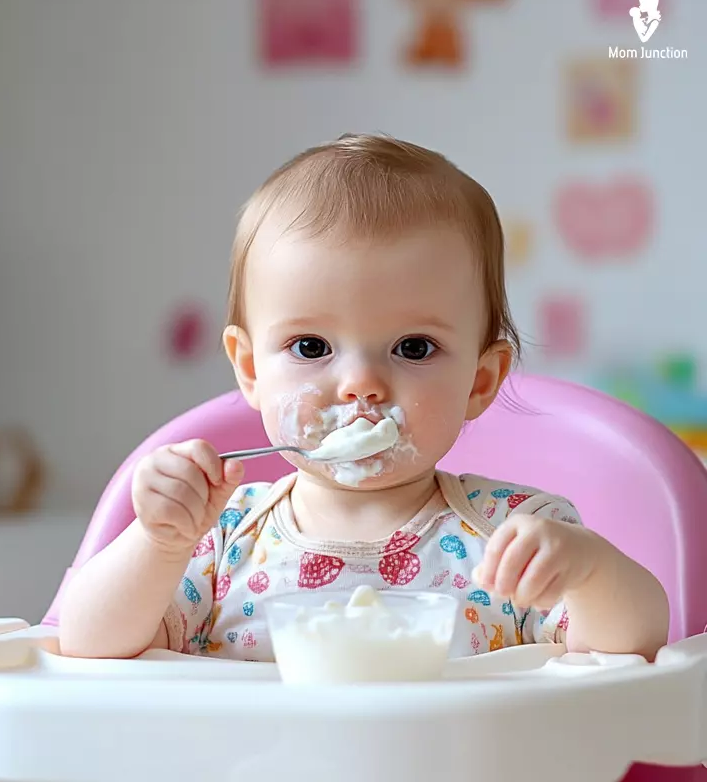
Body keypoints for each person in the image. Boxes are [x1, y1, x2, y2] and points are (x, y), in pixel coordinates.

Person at [59, 134, 669, 662]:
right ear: (249, 368)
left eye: (413, 347)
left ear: (480, 383)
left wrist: (589, 572)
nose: (361, 385)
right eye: (310, 346)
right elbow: (86, 647)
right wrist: (158, 542)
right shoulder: (214, 540)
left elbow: (631, 648)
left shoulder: (513, 535)